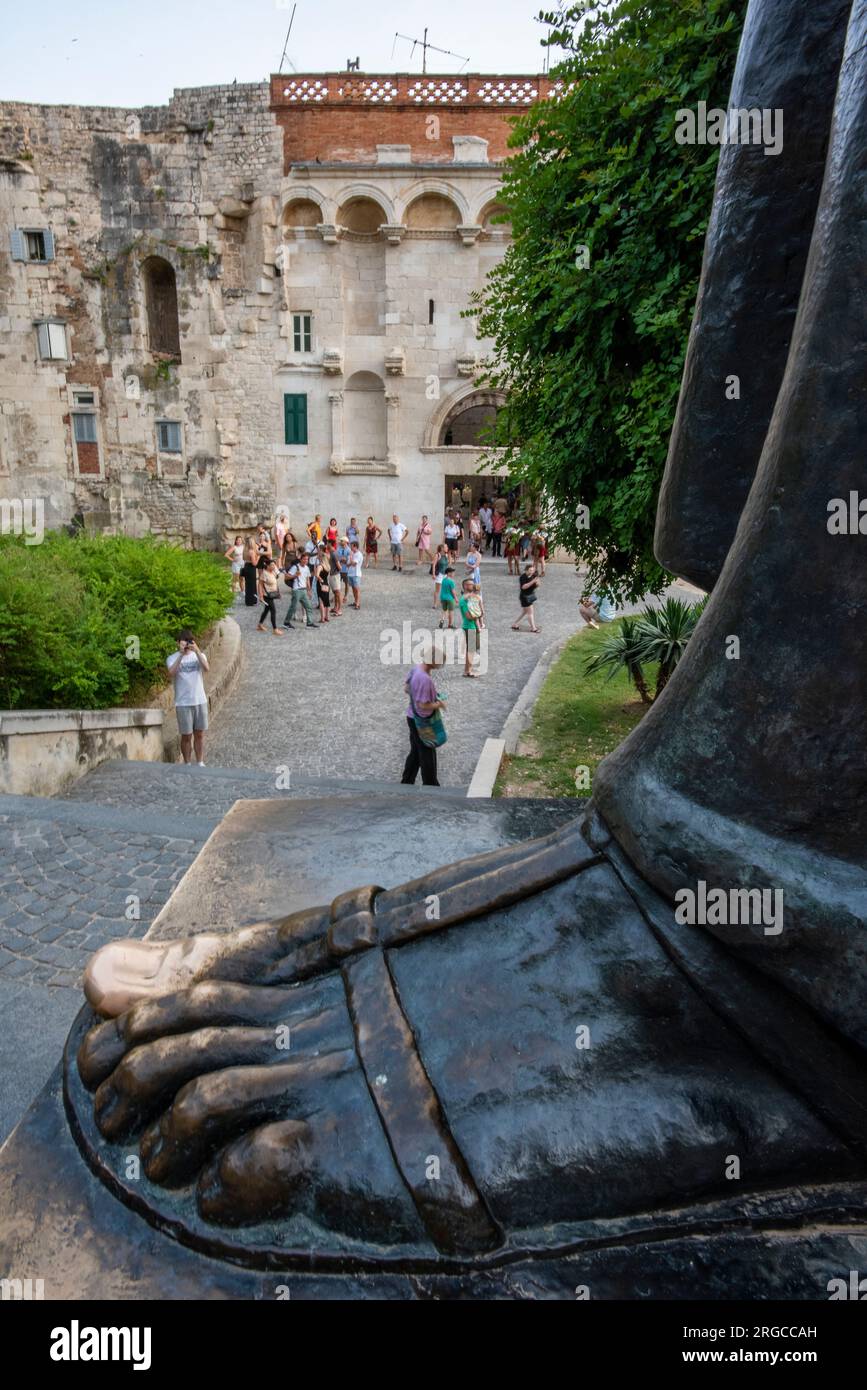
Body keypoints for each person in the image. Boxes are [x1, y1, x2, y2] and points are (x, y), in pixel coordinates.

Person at [401, 647, 446, 787]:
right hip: (423, 721)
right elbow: (423, 705)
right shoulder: (425, 680)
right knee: (427, 753)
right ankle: (431, 785)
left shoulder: (416, 669)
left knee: (415, 751)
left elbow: (406, 689)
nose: (441, 664)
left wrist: (417, 695)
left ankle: (407, 781)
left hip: (412, 716)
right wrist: (439, 704)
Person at [166, 630, 210, 766]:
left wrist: (197, 651)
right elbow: (171, 673)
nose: (186, 644)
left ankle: (200, 762)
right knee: (186, 735)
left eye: (189, 641)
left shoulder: (199, 655)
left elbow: (206, 668)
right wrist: (180, 654)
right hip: (183, 703)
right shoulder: (172, 658)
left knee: (200, 734)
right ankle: (187, 763)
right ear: (178, 642)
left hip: (199, 700)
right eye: (183, 641)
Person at [283, 553, 318, 630]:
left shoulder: (307, 568)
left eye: (307, 559)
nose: (306, 561)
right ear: (301, 559)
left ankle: (309, 623)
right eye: (304, 559)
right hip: (297, 590)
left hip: (304, 590)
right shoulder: (295, 567)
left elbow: (307, 579)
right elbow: (286, 577)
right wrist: (295, 576)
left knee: (308, 607)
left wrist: (309, 590)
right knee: (293, 607)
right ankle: (286, 623)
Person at [459, 579, 484, 676]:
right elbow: (468, 616)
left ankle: (468, 670)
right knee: (471, 649)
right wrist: (480, 613)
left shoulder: (470, 598)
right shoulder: (464, 600)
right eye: (471, 585)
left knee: (472, 649)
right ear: (465, 586)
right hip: (470, 626)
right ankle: (467, 671)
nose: (473, 586)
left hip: (472, 626)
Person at [256, 561, 284, 636]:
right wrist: (261, 596)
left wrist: (278, 593)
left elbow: (275, 583)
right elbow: (260, 585)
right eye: (271, 565)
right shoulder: (264, 573)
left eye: (274, 565)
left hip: (272, 594)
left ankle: (260, 625)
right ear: (267, 566)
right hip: (267, 595)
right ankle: (275, 629)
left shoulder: (273, 572)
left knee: (266, 610)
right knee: (273, 610)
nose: (273, 566)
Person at [512, 561, 541, 633]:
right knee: (530, 613)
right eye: (530, 570)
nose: (532, 572)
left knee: (525, 612)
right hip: (525, 597)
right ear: (526, 570)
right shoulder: (523, 577)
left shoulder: (533, 576)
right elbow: (524, 587)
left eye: (533, 570)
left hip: (530, 596)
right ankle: (533, 628)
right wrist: (533, 581)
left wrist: (537, 582)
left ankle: (515, 624)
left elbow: (537, 585)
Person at [326, 541, 343, 616]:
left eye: (328, 543)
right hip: (332, 575)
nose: (327, 545)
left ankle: (339, 609)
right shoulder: (331, 553)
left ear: (331, 544)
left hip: (335, 575)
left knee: (337, 593)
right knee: (335, 593)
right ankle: (336, 607)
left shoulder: (334, 553)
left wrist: (335, 572)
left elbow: (339, 566)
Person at [346, 540, 364, 609]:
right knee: (353, 589)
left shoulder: (359, 554)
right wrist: (350, 560)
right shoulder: (352, 553)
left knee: (357, 589)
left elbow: (354, 564)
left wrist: (350, 557)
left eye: (351, 546)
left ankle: (358, 604)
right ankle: (355, 601)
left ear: (355, 546)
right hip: (350, 574)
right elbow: (347, 565)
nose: (350, 547)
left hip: (356, 574)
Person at [242, 538, 260, 606]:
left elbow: (244, 559)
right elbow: (254, 563)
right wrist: (258, 557)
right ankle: (252, 600)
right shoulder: (251, 551)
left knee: (248, 585)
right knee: (252, 585)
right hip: (251, 568)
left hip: (246, 566)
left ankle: (248, 600)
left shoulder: (245, 550)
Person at [315, 555, 332, 624]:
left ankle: (322, 618)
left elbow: (316, 575)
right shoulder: (328, 566)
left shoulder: (320, 566)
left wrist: (319, 579)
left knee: (321, 601)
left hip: (320, 584)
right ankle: (327, 617)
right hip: (326, 583)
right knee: (326, 601)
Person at [432, 544, 449, 608]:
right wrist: (433, 574)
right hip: (439, 574)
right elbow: (433, 565)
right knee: (437, 590)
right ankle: (435, 604)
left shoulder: (446, 555)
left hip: (445, 575)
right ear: (442, 548)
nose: (447, 548)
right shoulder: (437, 555)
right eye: (446, 547)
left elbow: (447, 565)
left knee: (445, 589)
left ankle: (444, 602)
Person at [336, 535, 351, 602]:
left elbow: (348, 560)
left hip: (346, 570)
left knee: (346, 583)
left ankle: (345, 596)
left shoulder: (349, 550)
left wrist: (341, 559)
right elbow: (336, 557)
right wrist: (342, 559)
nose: (340, 541)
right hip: (339, 569)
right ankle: (336, 596)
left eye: (342, 541)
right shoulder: (338, 548)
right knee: (337, 583)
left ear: (345, 542)